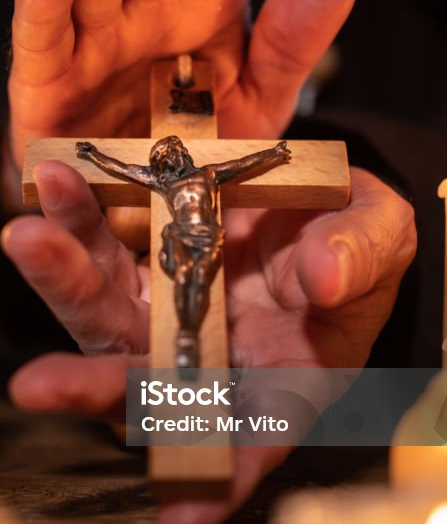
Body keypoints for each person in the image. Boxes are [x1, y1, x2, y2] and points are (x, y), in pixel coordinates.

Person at [0, 0, 416, 524]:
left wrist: (286, 154)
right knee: (188, 323)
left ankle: (190, 395)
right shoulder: (155, 175)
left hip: (211, 250)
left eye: (169, 160)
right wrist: (67, 159)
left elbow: (245, 169)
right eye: (161, 163)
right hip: (175, 251)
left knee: (191, 316)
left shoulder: (207, 170)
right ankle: (190, 397)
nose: (170, 166)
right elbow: (120, 170)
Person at [76, 134, 291, 368]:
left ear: (183, 154)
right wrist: (93, 154)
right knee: (183, 274)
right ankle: (185, 339)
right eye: (166, 155)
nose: (173, 157)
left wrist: (273, 153)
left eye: (175, 152)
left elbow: (242, 164)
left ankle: (191, 331)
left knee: (199, 280)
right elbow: (123, 168)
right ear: (161, 163)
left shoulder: (208, 174)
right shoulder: (162, 181)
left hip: (207, 236)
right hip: (179, 234)